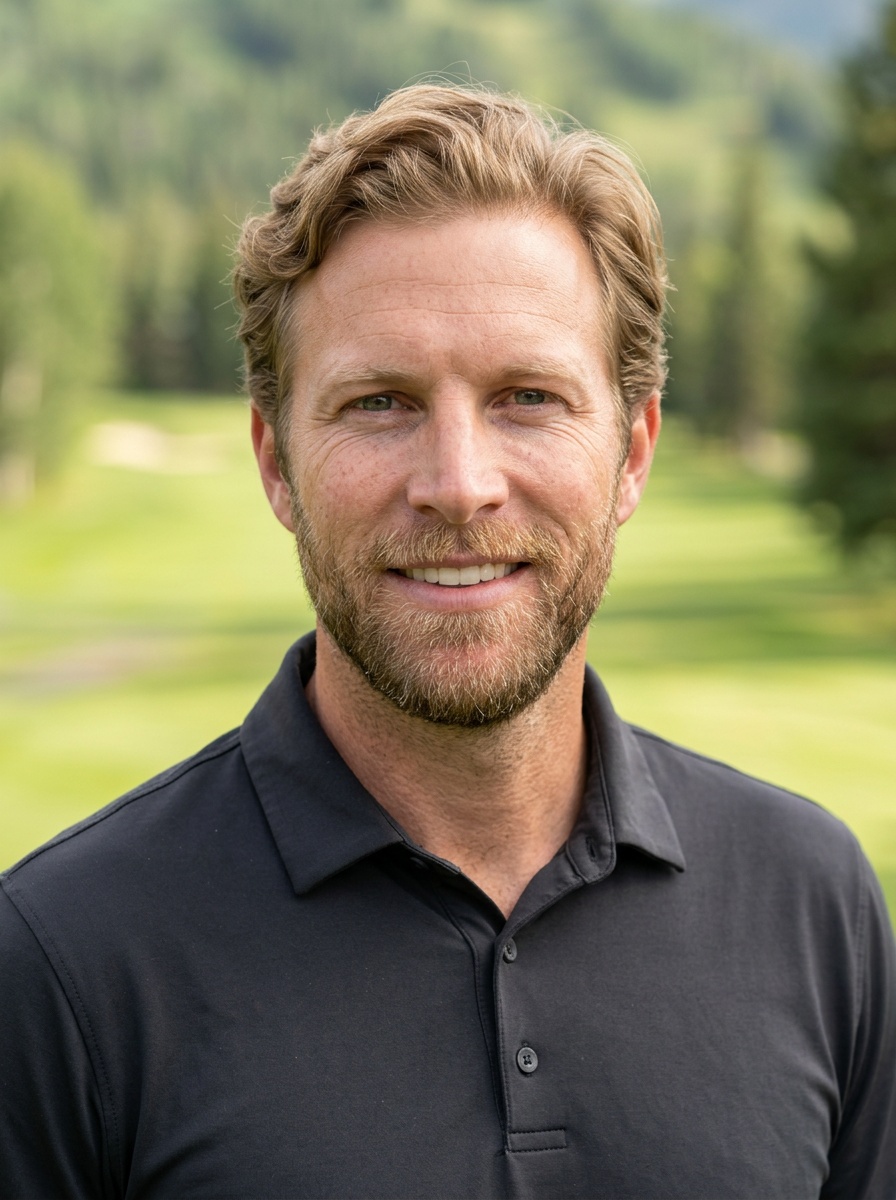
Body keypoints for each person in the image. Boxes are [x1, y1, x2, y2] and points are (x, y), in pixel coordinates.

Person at [1, 85, 894, 1200]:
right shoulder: (60, 955)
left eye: (526, 396)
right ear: (276, 462)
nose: (458, 486)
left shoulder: (813, 902)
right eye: (379, 403)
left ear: (631, 455)